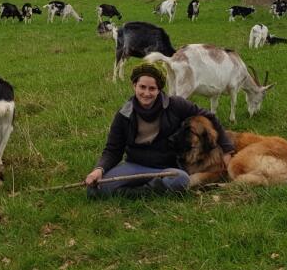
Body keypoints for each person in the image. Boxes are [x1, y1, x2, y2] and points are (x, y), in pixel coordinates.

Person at [85, 62, 234, 197]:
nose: (146, 93)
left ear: (159, 90)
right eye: (142, 87)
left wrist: (227, 150)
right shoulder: (123, 115)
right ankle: (148, 190)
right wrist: (99, 169)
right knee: (97, 188)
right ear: (134, 86)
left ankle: (137, 192)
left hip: (166, 168)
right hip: (136, 165)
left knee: (181, 180)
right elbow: (112, 150)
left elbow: (210, 117)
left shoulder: (176, 105)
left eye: (152, 88)